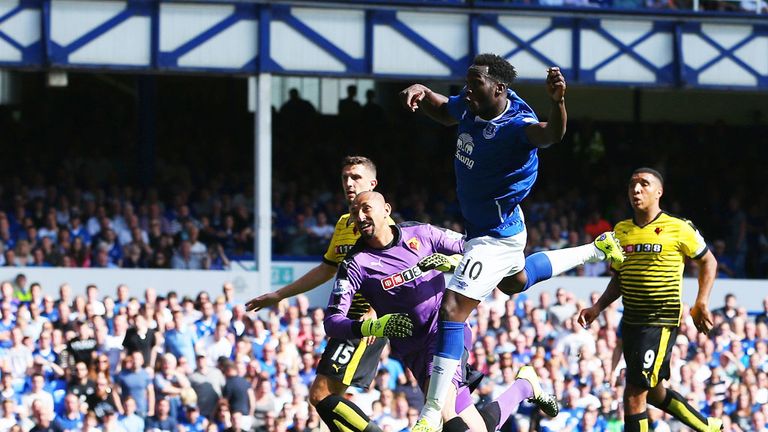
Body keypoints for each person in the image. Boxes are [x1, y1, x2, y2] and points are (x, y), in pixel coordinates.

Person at [400, 53, 625, 431]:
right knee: (515, 283)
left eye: (476, 85)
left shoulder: (517, 125)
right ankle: (596, 249)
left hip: (494, 237)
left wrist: (558, 103)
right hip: (495, 227)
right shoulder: (472, 105)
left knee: (452, 309)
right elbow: (444, 111)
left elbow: (551, 134)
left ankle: (429, 413)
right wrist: (423, 93)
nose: (467, 90)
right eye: (468, 83)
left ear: (500, 89)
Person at [324, 191, 558, 432]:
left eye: (366, 208)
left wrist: (453, 262)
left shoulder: (421, 234)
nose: (360, 216)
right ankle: (524, 386)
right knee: (476, 427)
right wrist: (372, 327)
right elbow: (332, 322)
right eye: (354, 212)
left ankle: (522, 387)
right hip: (412, 350)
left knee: (442, 413)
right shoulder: (355, 264)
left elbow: (475, 248)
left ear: (386, 210)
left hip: (445, 331)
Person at [245, 156, 394, 432]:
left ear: (373, 184)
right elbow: (326, 269)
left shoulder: (382, 224)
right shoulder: (342, 224)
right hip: (344, 322)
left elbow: (396, 270)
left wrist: (376, 309)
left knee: (320, 395)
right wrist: (279, 295)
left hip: (363, 322)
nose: (349, 183)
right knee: (328, 400)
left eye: (356, 177)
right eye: (345, 178)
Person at [577, 167, 721, 432]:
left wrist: (701, 301)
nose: (636, 189)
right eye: (632, 184)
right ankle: (709, 427)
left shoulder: (679, 228)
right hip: (631, 320)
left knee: (633, 393)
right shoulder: (620, 231)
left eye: (644, 184)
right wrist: (598, 307)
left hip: (660, 321)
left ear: (659, 191)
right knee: (653, 392)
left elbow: (708, 261)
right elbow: (620, 276)